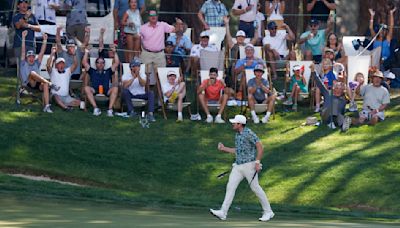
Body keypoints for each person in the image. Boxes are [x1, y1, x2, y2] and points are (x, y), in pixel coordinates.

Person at [209, 114, 274, 222]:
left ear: (240, 124)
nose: (233, 124)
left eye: (234, 123)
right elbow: (238, 150)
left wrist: (257, 162)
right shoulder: (237, 135)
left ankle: (268, 212)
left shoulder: (248, 133)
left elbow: (260, 147)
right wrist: (224, 148)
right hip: (238, 166)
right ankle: (223, 212)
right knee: (230, 187)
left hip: (249, 166)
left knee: (255, 188)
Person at [19, 31, 59, 113]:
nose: (31, 58)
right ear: (26, 58)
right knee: (32, 73)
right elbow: (23, 51)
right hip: (27, 84)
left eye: (33, 57)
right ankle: (51, 84)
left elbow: (41, 52)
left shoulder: (36, 62)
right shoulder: (23, 63)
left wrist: (45, 40)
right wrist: (23, 38)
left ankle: (47, 106)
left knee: (45, 84)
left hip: (37, 83)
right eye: (29, 57)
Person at [311, 64, 351, 131]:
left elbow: (342, 111)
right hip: (326, 115)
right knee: (334, 102)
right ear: (334, 88)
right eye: (337, 88)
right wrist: (313, 71)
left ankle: (343, 125)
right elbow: (319, 83)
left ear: (342, 91)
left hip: (337, 117)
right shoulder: (328, 93)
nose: (338, 90)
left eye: (340, 89)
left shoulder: (343, 99)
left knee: (341, 115)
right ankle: (332, 122)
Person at [82, 45, 120, 117]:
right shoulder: (92, 71)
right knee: (86, 88)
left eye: (102, 62)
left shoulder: (108, 71)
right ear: (95, 64)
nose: (100, 64)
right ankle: (96, 108)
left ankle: (110, 109)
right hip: (95, 89)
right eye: (98, 62)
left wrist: (115, 52)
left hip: (106, 90)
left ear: (104, 64)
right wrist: (86, 51)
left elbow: (116, 63)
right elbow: (84, 62)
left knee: (115, 88)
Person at [140, 10, 181, 75]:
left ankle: (159, 86)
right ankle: (146, 86)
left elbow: (175, 30)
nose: (153, 17)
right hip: (146, 53)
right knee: (145, 75)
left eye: (154, 15)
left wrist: (178, 23)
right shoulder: (142, 28)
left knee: (161, 75)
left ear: (157, 16)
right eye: (151, 16)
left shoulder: (162, 25)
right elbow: (138, 39)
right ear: (148, 17)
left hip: (160, 54)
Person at [47, 46, 80, 111]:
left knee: (79, 102)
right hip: (55, 96)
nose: (61, 65)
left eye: (62, 63)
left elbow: (75, 64)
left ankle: (63, 104)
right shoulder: (53, 71)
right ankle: (65, 107)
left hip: (66, 96)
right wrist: (52, 54)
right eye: (59, 64)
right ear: (56, 65)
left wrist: (74, 54)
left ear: (64, 65)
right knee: (56, 96)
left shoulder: (68, 71)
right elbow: (48, 65)